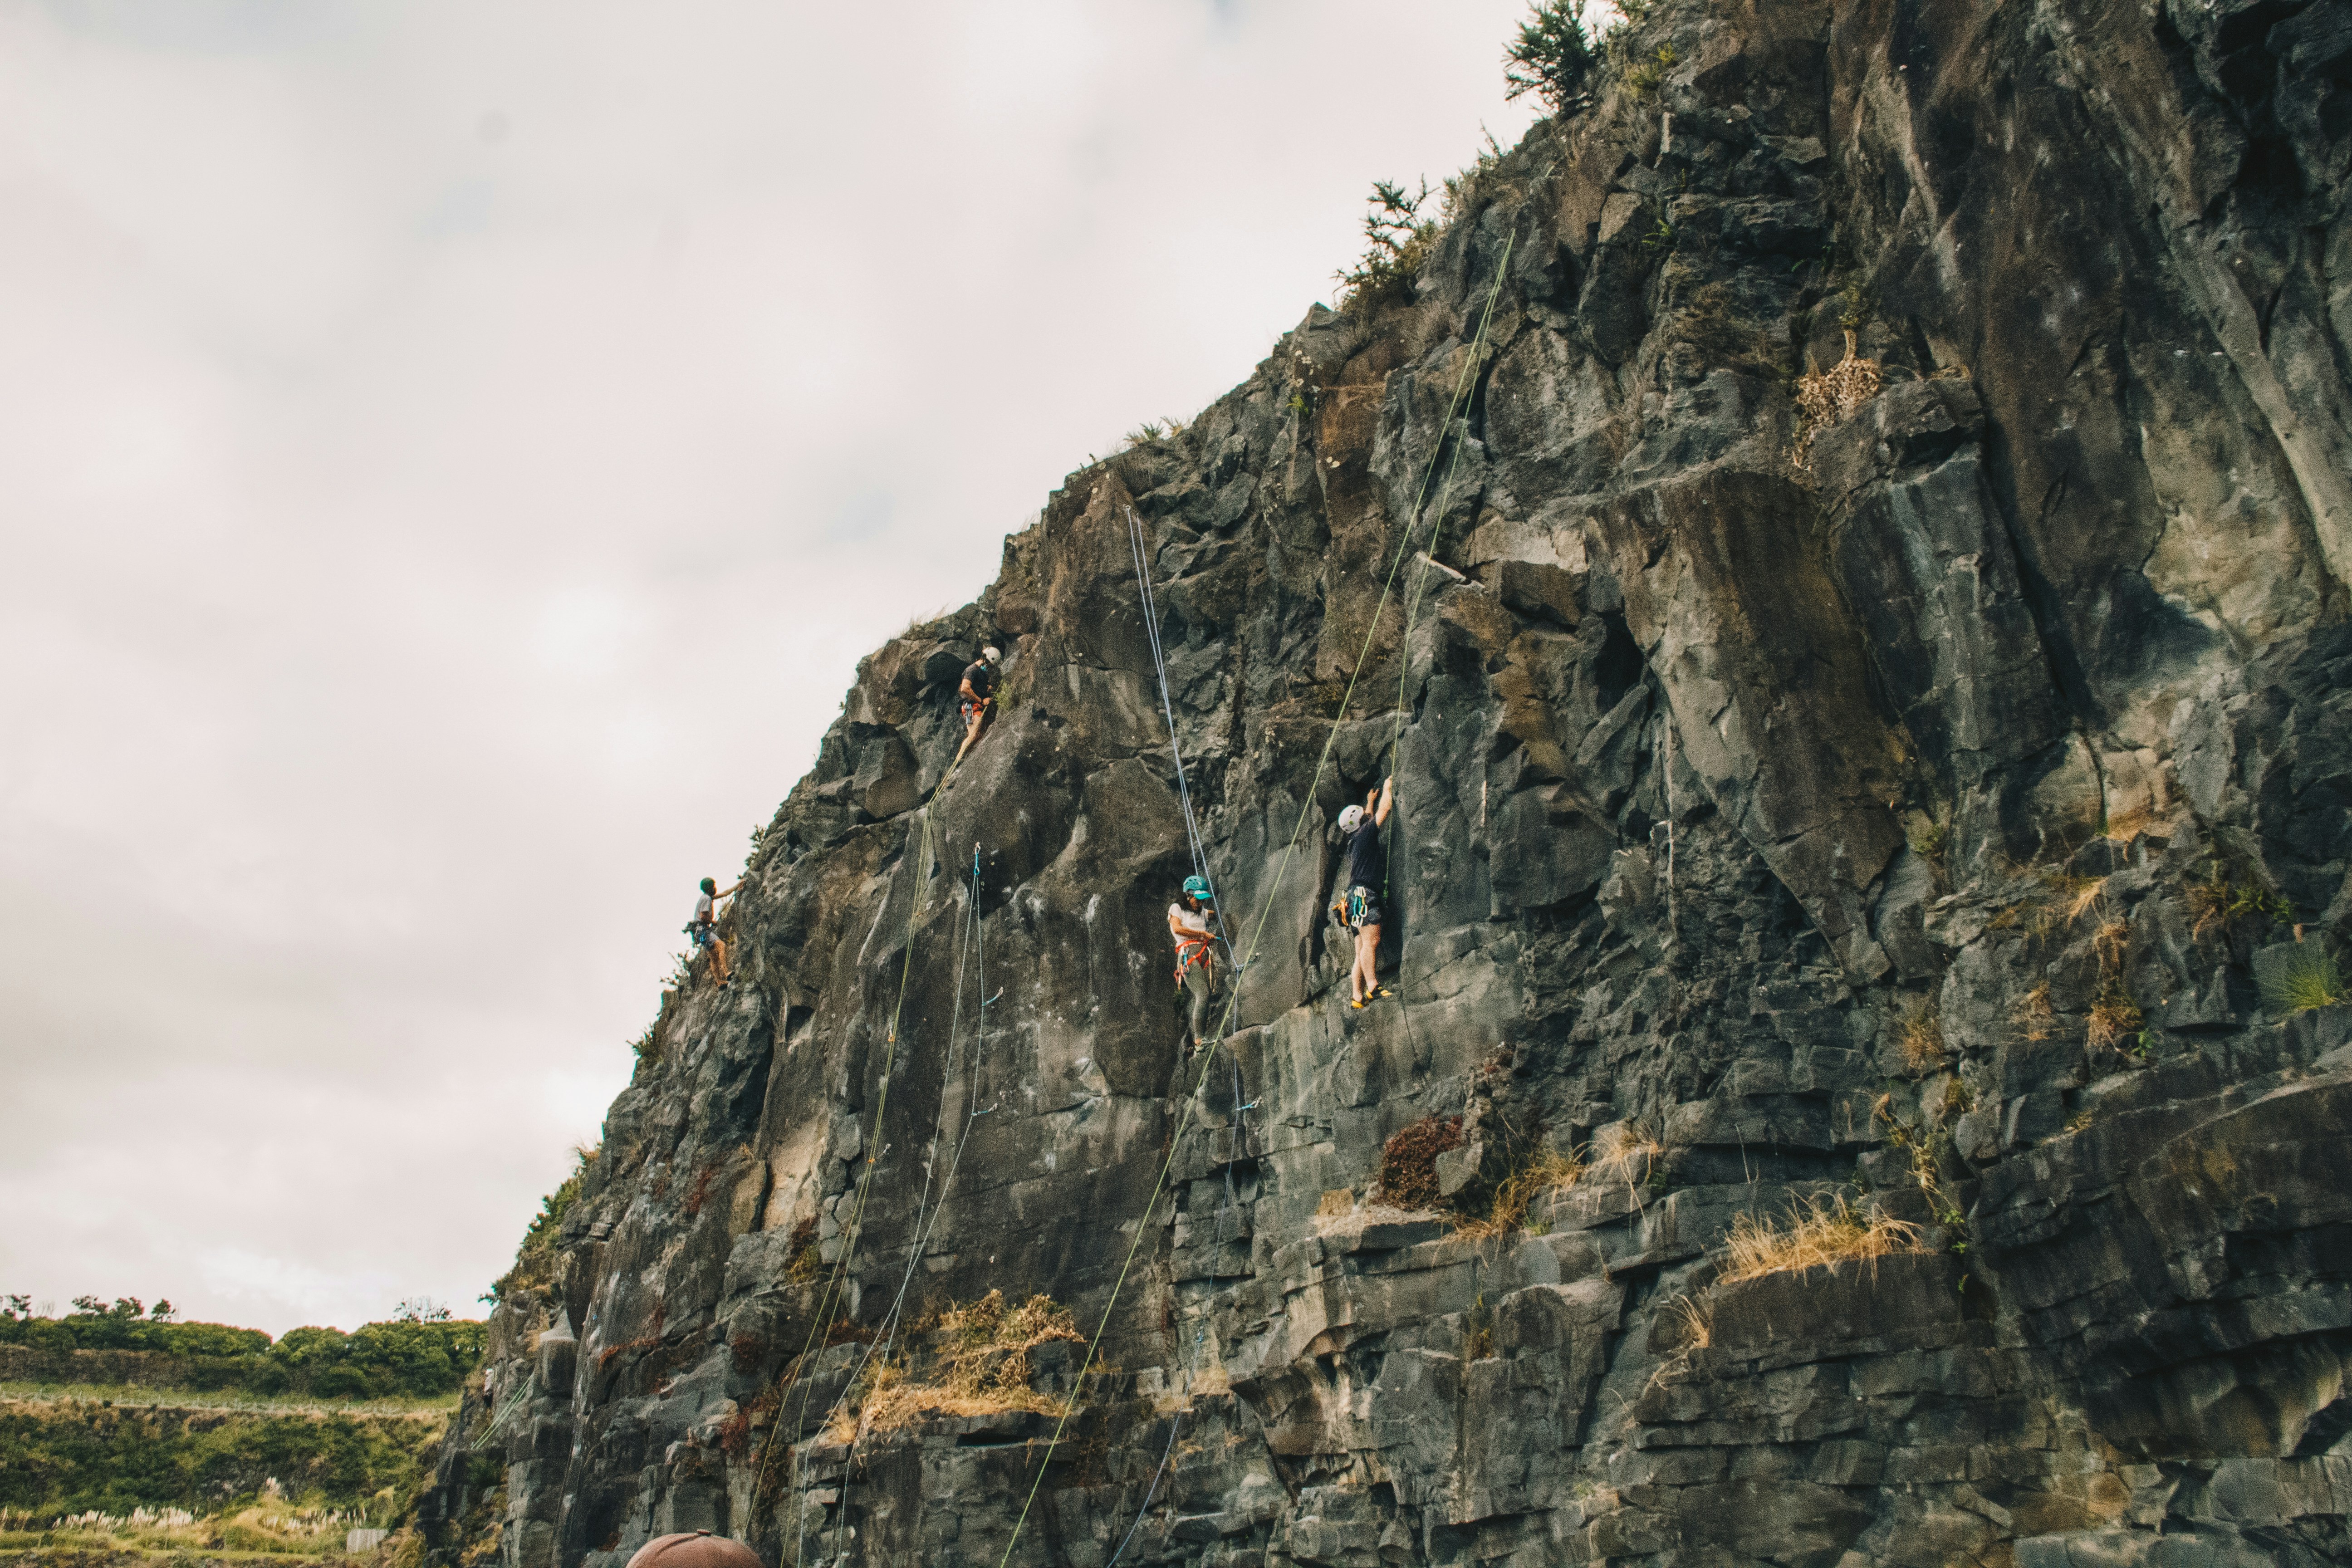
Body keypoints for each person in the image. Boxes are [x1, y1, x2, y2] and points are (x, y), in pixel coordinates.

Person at [1336, 778, 1395, 1009]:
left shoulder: (1356, 838)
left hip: (1353, 897)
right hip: (1363, 895)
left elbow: (1367, 818)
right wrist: (1388, 788)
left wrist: (1370, 800)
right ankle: (1373, 987)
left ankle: (1357, 997)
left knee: (1361, 947)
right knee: (1372, 941)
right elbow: (1385, 810)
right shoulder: (1365, 835)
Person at [1168, 874, 1221, 1053]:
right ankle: (1199, 1040)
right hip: (1188, 955)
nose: (1200, 903)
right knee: (1203, 994)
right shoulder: (1177, 908)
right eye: (1197, 899)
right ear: (1188, 895)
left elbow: (1212, 915)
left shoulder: (1201, 911)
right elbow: (1177, 928)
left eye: (1202, 900)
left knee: (1209, 994)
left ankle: (1202, 1037)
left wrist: (1215, 915)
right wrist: (1202, 935)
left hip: (1203, 954)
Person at [951, 646, 1003, 771]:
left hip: (973, 706)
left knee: (978, 734)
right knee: (974, 734)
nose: (990, 667)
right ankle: (959, 761)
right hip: (970, 707)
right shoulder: (972, 670)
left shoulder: (981, 672)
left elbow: (975, 687)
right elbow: (965, 688)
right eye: (990, 664)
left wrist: (986, 688)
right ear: (986, 659)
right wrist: (981, 700)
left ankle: (964, 760)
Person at [688, 876, 743, 986]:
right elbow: (703, 916)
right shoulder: (707, 899)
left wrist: (738, 886)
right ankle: (727, 972)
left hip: (699, 934)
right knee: (721, 945)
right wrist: (714, 922)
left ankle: (719, 982)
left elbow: (724, 894)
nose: (715, 888)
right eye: (713, 886)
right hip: (703, 930)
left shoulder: (706, 897)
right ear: (709, 888)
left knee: (713, 955)